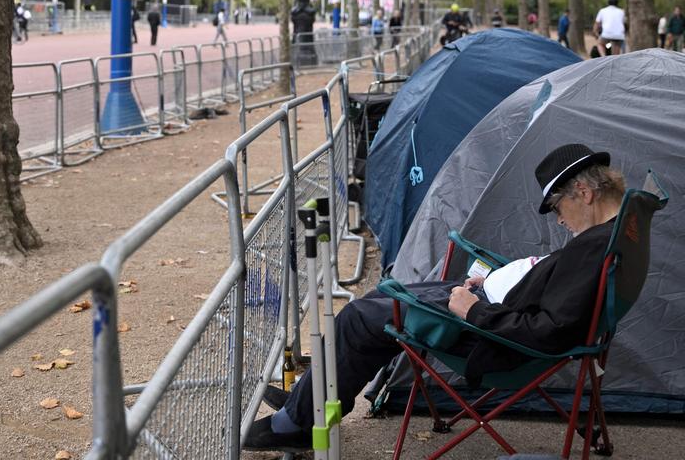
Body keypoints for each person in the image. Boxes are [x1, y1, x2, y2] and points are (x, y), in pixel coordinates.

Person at [244, 143, 625, 452]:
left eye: (557, 207)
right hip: (491, 304)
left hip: (489, 332)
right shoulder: (617, 233)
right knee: (381, 302)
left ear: (584, 193)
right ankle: (308, 401)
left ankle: (295, 422)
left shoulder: (592, 250)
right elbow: (552, 296)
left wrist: (474, 311)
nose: (559, 219)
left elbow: (547, 330)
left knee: (360, 316)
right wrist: (494, 283)